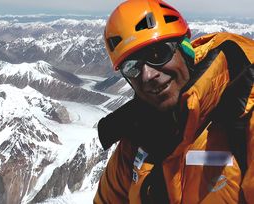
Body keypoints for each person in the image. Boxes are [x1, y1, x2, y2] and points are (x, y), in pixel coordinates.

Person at [94, 0, 254, 203]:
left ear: (186, 50)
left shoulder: (243, 113)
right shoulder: (135, 140)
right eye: (132, 67)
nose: (148, 75)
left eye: (158, 54)